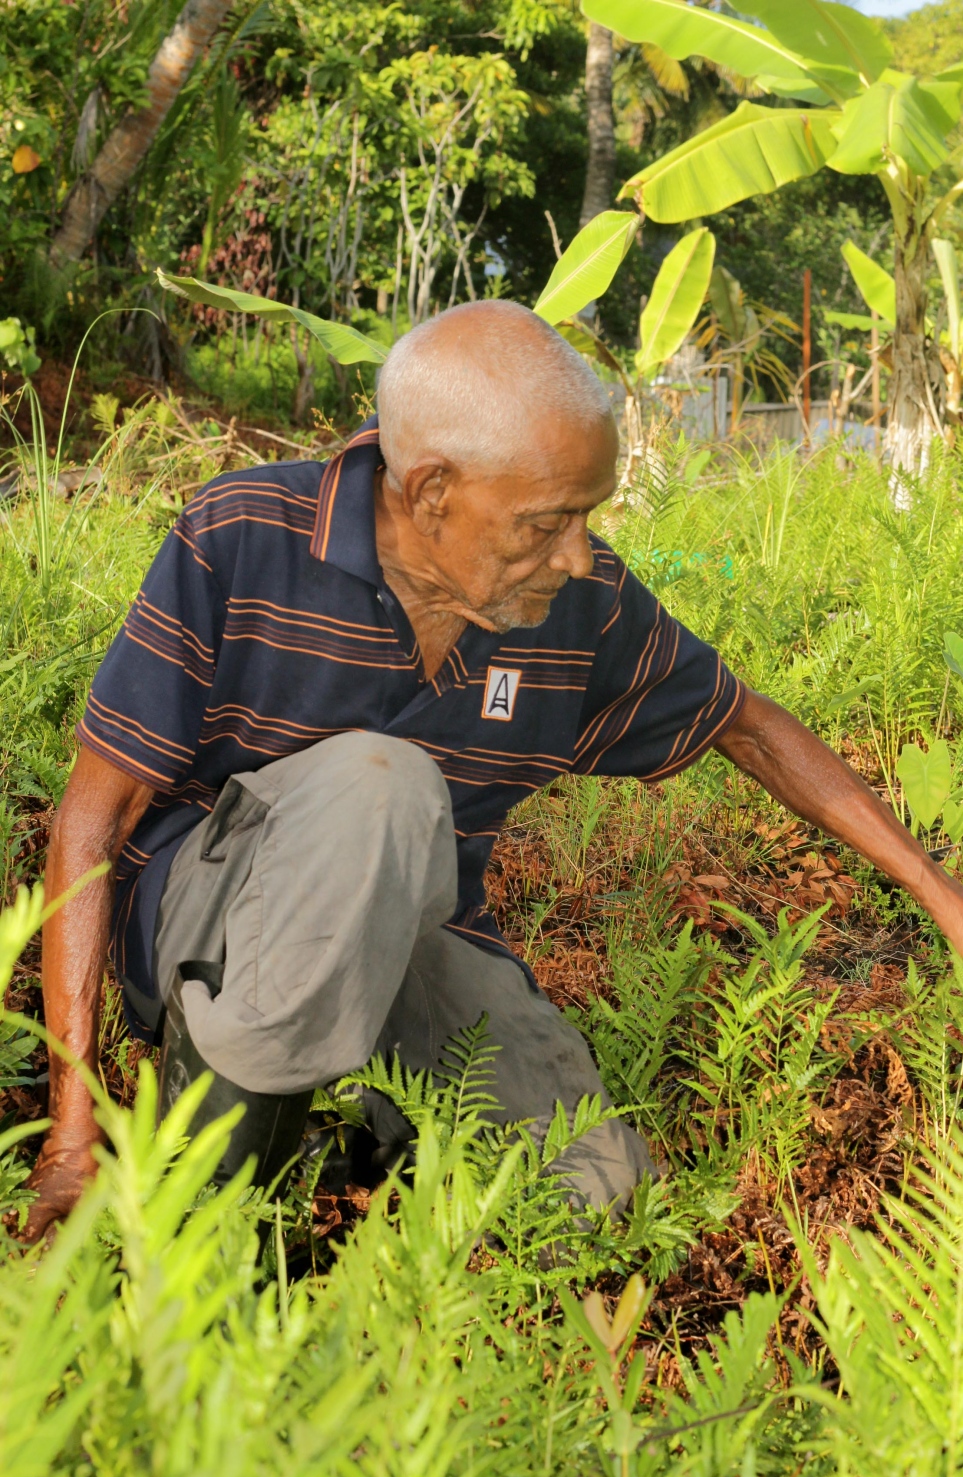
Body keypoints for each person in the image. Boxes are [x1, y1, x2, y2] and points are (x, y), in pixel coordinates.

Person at [23, 301, 963, 1240]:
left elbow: (747, 726)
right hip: (205, 923)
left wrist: (935, 890)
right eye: (547, 521)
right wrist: (70, 1125)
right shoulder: (245, 536)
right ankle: (212, 1214)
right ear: (431, 490)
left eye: (588, 515)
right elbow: (91, 821)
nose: (578, 553)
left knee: (590, 1191)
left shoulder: (574, 604)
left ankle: (341, 1139)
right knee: (381, 785)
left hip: (413, 931)